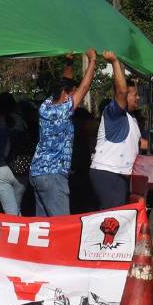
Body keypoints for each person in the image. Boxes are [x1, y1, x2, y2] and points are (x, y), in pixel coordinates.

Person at [30, 49, 97, 217]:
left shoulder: (45, 107)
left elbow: (64, 84)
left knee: (44, 226)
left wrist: (68, 62)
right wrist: (92, 61)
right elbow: (85, 86)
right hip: (53, 176)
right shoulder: (63, 110)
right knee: (61, 225)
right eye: (73, 94)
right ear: (66, 95)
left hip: (37, 172)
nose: (76, 97)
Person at [89, 51, 148, 210]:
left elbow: (139, 143)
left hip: (119, 175)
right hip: (108, 173)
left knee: (116, 218)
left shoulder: (131, 118)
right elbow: (121, 91)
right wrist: (115, 62)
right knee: (111, 220)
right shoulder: (113, 113)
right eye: (135, 95)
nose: (138, 98)